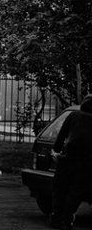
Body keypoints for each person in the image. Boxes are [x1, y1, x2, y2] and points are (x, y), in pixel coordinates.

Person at [49, 94, 92, 230]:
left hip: (67, 157)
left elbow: (61, 135)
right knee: (75, 192)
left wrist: (55, 151)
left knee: (60, 188)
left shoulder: (73, 115)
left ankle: (56, 218)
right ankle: (66, 219)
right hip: (86, 161)